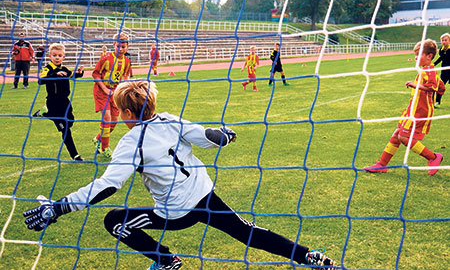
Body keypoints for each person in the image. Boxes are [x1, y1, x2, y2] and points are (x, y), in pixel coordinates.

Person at [23, 80, 337, 270]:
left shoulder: (130, 142)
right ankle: (308, 256)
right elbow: (207, 136)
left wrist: (60, 206)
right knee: (245, 232)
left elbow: (109, 185)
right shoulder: (169, 120)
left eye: (119, 110)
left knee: (114, 221)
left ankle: (165, 260)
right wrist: (225, 135)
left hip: (176, 212)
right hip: (205, 194)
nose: (118, 115)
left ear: (128, 114)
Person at [365, 39, 444, 176]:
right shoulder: (426, 70)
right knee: (397, 134)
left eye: (419, 55)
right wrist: (439, 88)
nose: (415, 58)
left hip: (421, 110)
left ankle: (433, 157)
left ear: (429, 56)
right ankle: (382, 164)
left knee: (404, 137)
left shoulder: (429, 70)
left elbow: (432, 88)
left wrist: (415, 86)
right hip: (413, 107)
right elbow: (440, 87)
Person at [32, 43, 84, 161]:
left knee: (70, 122)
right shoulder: (48, 69)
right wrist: (55, 75)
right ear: (50, 56)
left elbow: (72, 75)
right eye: (54, 55)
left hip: (65, 102)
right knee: (65, 130)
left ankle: (44, 113)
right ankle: (75, 155)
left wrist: (80, 73)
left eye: (59, 55)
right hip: (53, 103)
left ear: (63, 57)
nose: (57, 57)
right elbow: (41, 80)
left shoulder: (64, 69)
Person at [92, 32, 131, 158]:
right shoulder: (106, 58)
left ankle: (98, 138)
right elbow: (95, 74)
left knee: (115, 120)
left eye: (124, 47)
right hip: (101, 91)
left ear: (127, 47)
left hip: (114, 92)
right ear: (114, 45)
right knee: (107, 117)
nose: (121, 49)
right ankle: (105, 148)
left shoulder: (127, 61)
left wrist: (122, 86)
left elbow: (125, 75)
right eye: (118, 46)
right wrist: (104, 89)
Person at [433, 33, 450, 107]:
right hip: (444, 71)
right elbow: (441, 58)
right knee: (440, 86)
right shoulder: (441, 50)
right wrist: (433, 64)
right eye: (442, 40)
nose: (444, 42)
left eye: (445, 40)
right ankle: (437, 102)